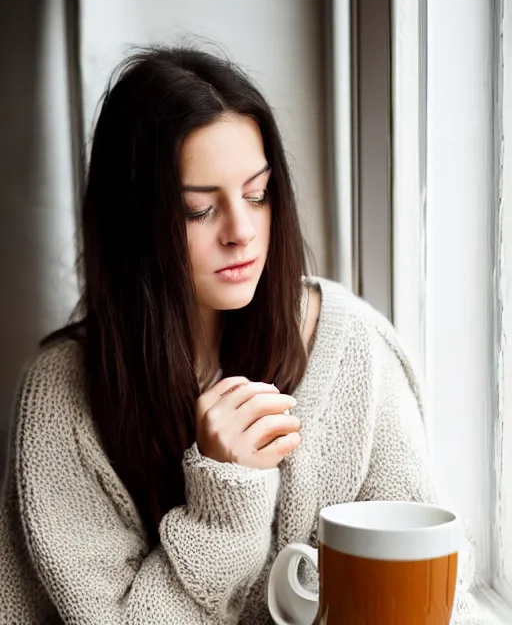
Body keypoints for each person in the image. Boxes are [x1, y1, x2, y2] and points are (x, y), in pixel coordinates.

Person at [0, 46, 486, 624]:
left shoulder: (355, 347)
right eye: (199, 210)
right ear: (135, 225)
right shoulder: (63, 398)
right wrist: (223, 508)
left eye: (257, 195)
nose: (242, 232)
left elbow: (437, 589)